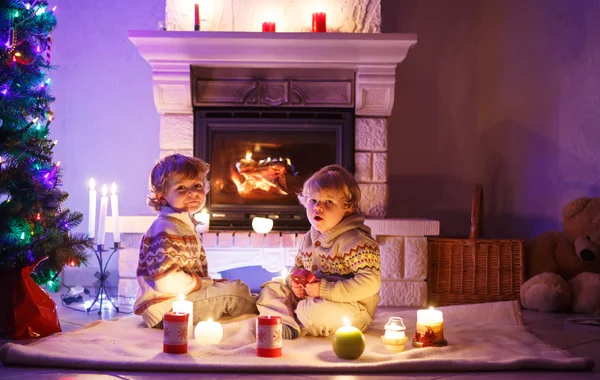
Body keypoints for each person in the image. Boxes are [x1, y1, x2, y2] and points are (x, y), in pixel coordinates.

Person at [257, 164, 381, 339]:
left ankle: (293, 318)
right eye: (313, 201)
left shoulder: (356, 242)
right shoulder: (308, 238)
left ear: (348, 207)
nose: (318, 207)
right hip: (309, 298)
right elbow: (298, 267)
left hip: (351, 307)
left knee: (316, 311)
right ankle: (287, 323)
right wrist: (294, 283)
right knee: (271, 288)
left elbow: (370, 283)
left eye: (328, 202)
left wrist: (325, 290)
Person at [134, 154, 258, 328]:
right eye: (181, 188)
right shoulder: (164, 229)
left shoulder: (182, 224)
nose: (192, 192)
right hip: (166, 309)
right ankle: (265, 309)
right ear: (162, 197)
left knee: (232, 286)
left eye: (197, 185)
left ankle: (260, 302)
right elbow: (165, 281)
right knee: (234, 292)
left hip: (177, 299)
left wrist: (210, 283)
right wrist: (205, 283)